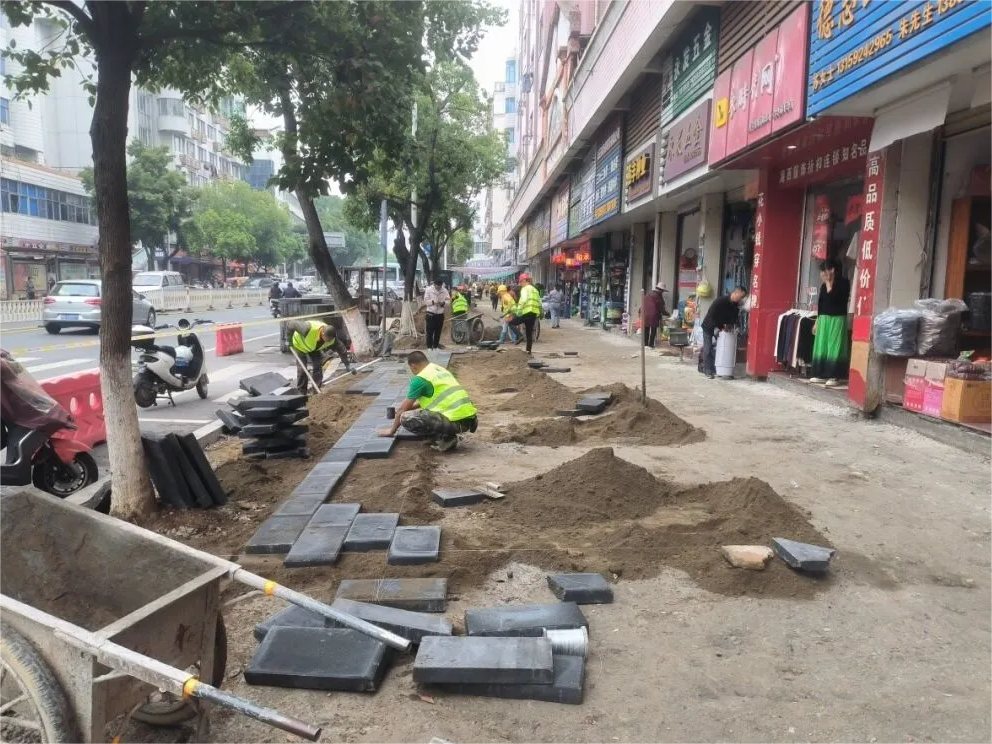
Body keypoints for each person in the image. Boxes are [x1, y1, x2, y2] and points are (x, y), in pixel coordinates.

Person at [378, 350, 478, 452]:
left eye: (410, 369)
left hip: (455, 422)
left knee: (406, 417)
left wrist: (391, 431)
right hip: (469, 420)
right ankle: (445, 434)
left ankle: (447, 439)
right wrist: (408, 407)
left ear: (413, 366)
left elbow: (402, 410)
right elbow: (435, 399)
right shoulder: (438, 369)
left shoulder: (420, 379)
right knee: (418, 412)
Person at [810, 258, 851, 387]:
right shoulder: (823, 286)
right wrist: (817, 321)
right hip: (824, 319)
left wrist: (828, 283)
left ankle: (834, 375)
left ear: (832, 270)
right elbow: (821, 304)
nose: (822, 273)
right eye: (821, 271)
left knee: (834, 346)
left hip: (837, 318)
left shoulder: (843, 283)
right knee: (822, 346)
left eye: (824, 270)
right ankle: (821, 374)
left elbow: (834, 298)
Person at [286, 319, 352, 391]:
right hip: (299, 345)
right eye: (327, 339)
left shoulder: (332, 339)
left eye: (330, 340)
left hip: (313, 347)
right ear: (323, 333)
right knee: (302, 369)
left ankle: (316, 388)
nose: (328, 341)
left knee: (318, 365)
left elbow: (342, 349)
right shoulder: (307, 328)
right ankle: (302, 391)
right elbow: (291, 324)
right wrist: (289, 341)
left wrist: (347, 364)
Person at [699, 286, 746, 379]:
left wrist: (732, 326)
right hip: (709, 326)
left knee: (721, 348)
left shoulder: (735, 305)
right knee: (708, 348)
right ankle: (708, 370)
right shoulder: (720, 301)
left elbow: (734, 318)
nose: (740, 299)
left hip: (721, 328)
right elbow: (712, 315)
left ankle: (718, 368)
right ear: (735, 293)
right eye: (740, 297)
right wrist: (721, 327)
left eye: (742, 298)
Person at [507, 273, 542, 354]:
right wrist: (540, 312)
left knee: (510, 322)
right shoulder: (535, 290)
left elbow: (524, 300)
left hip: (526, 312)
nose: (521, 284)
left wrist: (518, 310)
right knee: (529, 333)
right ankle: (528, 351)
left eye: (521, 282)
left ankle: (519, 336)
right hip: (533, 314)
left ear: (525, 281)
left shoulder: (525, 289)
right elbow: (539, 302)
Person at [423, 278, 450, 350]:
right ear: (434, 284)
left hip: (440, 315)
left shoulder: (444, 291)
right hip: (430, 314)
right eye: (437, 287)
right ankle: (429, 347)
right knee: (430, 332)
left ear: (441, 285)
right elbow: (426, 301)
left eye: (440, 287)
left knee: (438, 332)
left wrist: (443, 303)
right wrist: (433, 302)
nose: (438, 288)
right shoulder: (429, 290)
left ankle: (435, 346)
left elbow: (448, 301)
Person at [642, 282, 669, 348]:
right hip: (654, 315)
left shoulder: (648, 294)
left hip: (645, 314)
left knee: (646, 329)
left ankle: (645, 344)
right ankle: (651, 344)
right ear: (661, 290)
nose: (663, 292)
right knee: (653, 330)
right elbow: (661, 307)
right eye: (663, 291)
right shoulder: (658, 296)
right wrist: (667, 314)